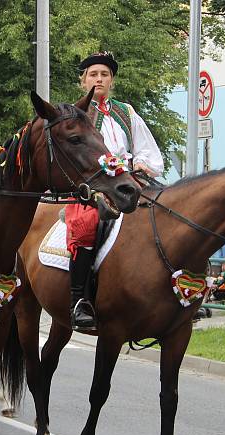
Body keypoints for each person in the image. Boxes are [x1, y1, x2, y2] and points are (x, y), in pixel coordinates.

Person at [65, 51, 164, 331]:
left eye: (104, 74)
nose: (99, 79)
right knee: (87, 224)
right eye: (93, 74)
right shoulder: (75, 114)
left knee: (167, 210)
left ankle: (174, 291)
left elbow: (147, 148)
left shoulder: (126, 111)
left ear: (112, 81)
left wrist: (142, 165)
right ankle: (79, 300)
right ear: (83, 81)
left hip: (128, 181)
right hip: (93, 184)